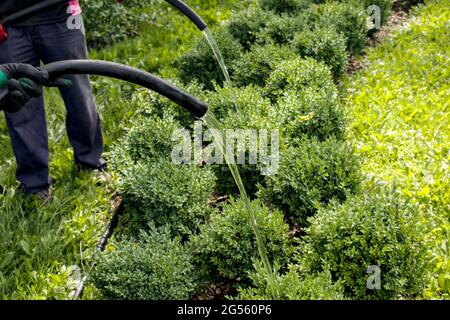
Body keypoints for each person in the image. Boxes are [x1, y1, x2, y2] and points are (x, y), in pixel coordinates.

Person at [0, 0, 106, 200]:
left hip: (61, 14)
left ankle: (90, 163)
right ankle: (35, 186)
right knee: (20, 104)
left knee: (79, 94)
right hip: (8, 25)